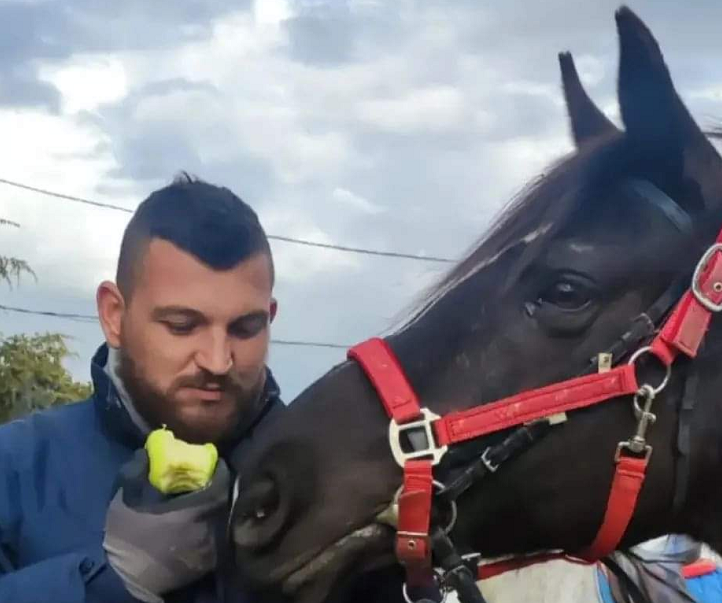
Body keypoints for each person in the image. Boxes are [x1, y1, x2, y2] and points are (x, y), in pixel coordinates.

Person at [0, 174, 284, 602]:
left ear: (270, 316)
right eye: (182, 326)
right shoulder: (16, 468)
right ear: (114, 315)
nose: (217, 360)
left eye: (245, 328)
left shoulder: (321, 470)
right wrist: (113, 583)